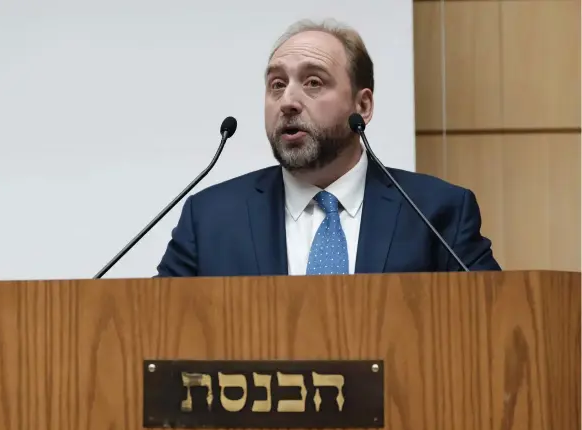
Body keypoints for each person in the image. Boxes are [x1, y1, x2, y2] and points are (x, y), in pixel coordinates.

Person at [156, 19, 501, 277]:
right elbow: (155, 331)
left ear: (362, 106)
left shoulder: (436, 212)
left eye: (313, 82)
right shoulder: (210, 218)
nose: (288, 101)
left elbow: (494, 321)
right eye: (277, 85)